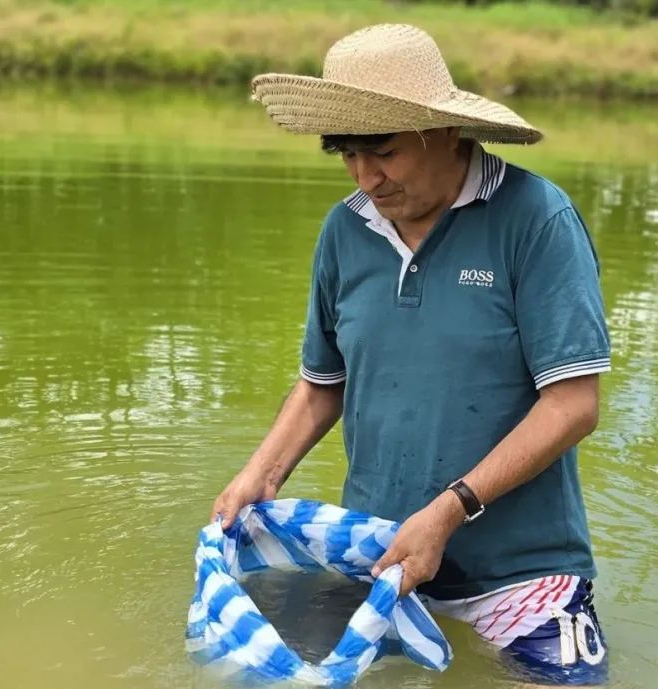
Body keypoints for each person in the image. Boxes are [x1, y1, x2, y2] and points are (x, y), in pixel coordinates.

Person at [211, 23, 612, 686]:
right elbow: (321, 383)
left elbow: (572, 404)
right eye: (346, 154)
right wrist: (261, 472)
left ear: (445, 131)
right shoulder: (345, 231)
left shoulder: (536, 219)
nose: (367, 176)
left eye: (385, 152)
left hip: (520, 572)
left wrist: (449, 508)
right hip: (379, 557)